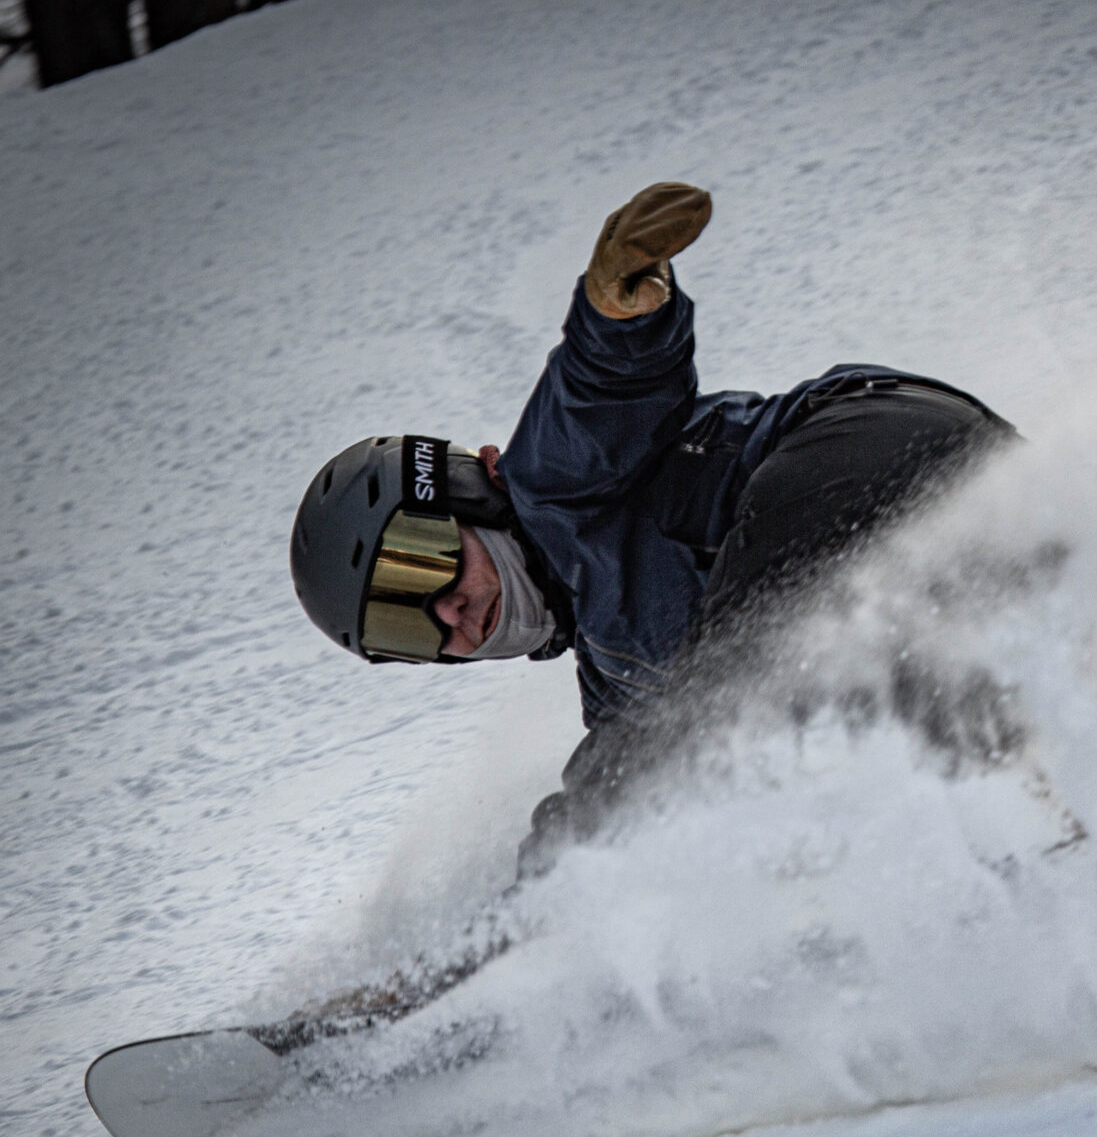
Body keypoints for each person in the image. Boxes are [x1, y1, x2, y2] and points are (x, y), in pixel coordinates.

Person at [290, 183, 1015, 875]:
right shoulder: (618, 681)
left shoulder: (552, 482)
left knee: (729, 713)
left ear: (471, 489)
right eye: (407, 623)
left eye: (423, 562)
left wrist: (617, 316)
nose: (445, 609)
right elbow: (614, 786)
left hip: (863, 450)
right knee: (683, 760)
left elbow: (600, 388)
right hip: (964, 525)